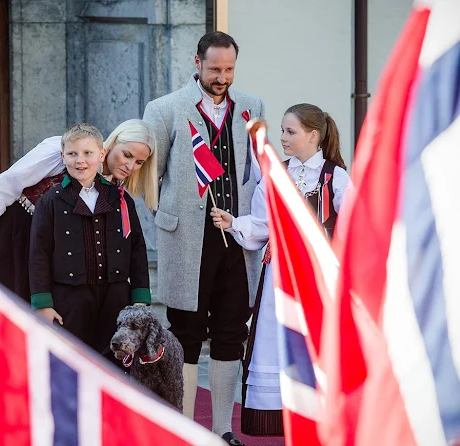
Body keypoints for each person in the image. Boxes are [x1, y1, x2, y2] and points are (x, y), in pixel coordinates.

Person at [143, 31, 264, 445]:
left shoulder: (252, 106)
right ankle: (185, 429)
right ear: (197, 63)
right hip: (188, 241)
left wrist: (251, 221)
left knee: (232, 330)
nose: (222, 77)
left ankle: (222, 429)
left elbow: (255, 170)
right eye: (215, 68)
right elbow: (147, 174)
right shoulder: (165, 109)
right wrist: (168, 215)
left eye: (229, 69)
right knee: (187, 333)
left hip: (236, 235)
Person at [212, 103, 351, 436]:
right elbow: (263, 224)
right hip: (280, 276)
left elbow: (352, 224)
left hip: (318, 278)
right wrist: (234, 223)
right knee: (276, 340)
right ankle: (279, 418)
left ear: (313, 135)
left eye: (290, 132)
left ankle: (323, 418)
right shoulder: (276, 174)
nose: (283, 138)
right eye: (282, 131)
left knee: (318, 343)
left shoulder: (334, 176)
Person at [0, 119, 158, 302]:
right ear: (111, 145)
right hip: (16, 236)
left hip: (56, 254)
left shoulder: (115, 192)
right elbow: (11, 181)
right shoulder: (61, 149)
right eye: (127, 155)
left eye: (139, 162)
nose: (130, 166)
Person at [28, 123, 150, 363]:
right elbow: (38, 253)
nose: (80, 161)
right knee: (71, 362)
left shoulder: (120, 199)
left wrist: (140, 297)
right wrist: (42, 303)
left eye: (87, 154)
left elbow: (137, 248)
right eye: (72, 154)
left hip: (115, 298)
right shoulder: (50, 202)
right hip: (69, 300)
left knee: (114, 365)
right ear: (63, 157)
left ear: (102, 154)